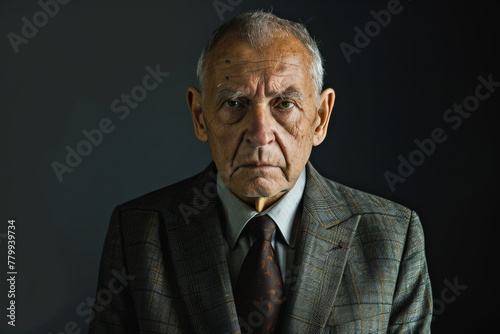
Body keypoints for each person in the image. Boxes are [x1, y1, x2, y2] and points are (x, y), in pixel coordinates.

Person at [89, 10, 432, 333]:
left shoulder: (393, 238)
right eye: (234, 103)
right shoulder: (138, 233)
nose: (260, 132)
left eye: (284, 104)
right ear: (199, 115)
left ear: (320, 117)